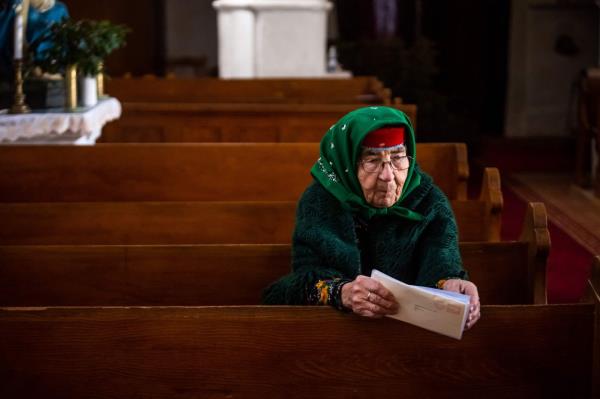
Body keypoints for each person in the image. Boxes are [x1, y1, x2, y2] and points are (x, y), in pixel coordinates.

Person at [262, 106, 480, 330]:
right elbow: (305, 278)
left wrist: (452, 283)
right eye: (372, 161)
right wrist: (342, 292)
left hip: (411, 337)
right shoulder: (320, 201)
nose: (388, 176)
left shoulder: (429, 200)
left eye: (398, 158)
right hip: (334, 332)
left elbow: (442, 260)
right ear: (347, 164)